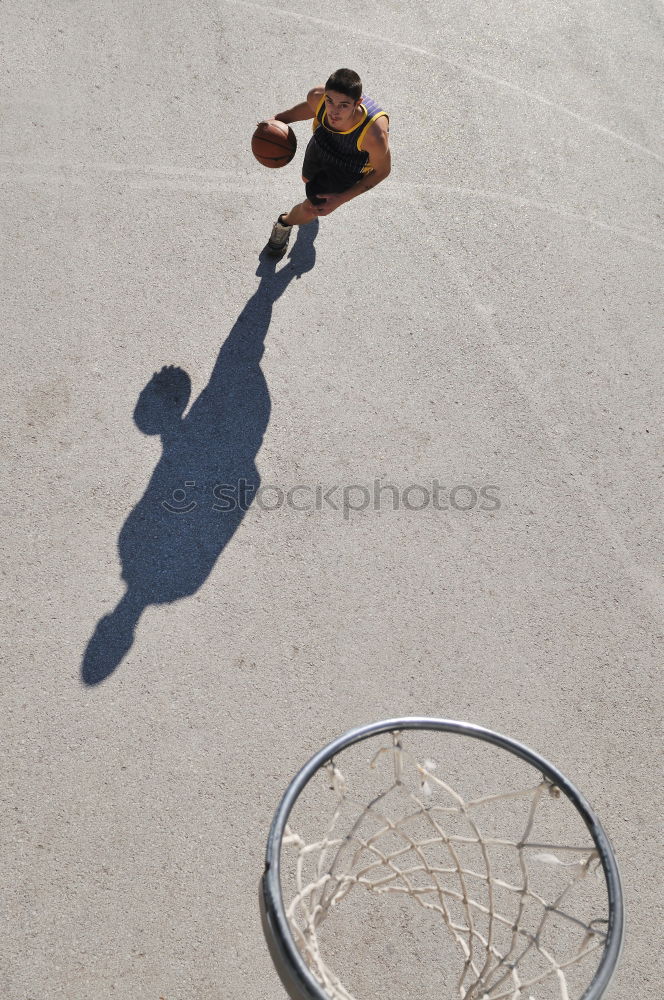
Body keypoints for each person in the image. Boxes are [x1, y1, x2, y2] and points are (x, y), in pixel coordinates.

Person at [258, 68, 391, 258]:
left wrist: (341, 199)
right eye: (330, 101)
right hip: (323, 143)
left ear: (358, 103)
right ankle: (310, 198)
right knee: (307, 179)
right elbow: (304, 110)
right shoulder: (317, 97)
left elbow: (382, 171)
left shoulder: (374, 135)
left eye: (344, 105)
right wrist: (276, 121)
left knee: (314, 207)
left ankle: (284, 223)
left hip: (348, 166)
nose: (334, 111)